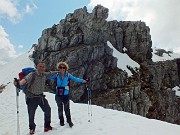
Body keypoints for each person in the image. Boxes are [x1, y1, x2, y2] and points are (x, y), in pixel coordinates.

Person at [14, 61, 58, 134]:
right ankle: (32, 129)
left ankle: (47, 126)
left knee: (48, 110)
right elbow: (25, 80)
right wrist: (19, 84)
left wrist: (59, 71)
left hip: (41, 97)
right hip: (31, 98)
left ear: (45, 68)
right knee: (31, 114)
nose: (41, 68)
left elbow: (51, 73)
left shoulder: (44, 75)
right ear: (37, 67)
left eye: (43, 67)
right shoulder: (32, 74)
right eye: (40, 66)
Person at [49, 62, 87, 127]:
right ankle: (61, 121)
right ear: (58, 68)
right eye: (60, 67)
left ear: (66, 68)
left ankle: (69, 121)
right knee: (60, 108)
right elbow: (48, 77)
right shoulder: (57, 75)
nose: (62, 69)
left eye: (64, 67)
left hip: (65, 94)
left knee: (67, 108)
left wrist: (83, 81)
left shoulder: (68, 75)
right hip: (58, 94)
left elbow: (75, 79)